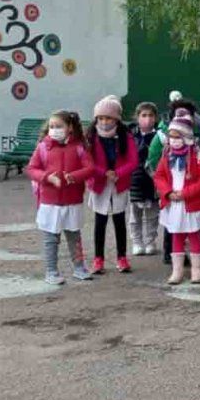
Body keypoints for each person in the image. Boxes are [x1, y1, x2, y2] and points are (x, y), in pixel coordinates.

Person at [26, 110, 94, 285]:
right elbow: (32, 169)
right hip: (50, 202)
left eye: (58, 126)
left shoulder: (79, 147)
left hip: (72, 201)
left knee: (74, 236)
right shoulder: (43, 147)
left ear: (69, 128)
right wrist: (47, 177)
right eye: (51, 126)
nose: (54, 129)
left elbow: (89, 168)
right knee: (50, 239)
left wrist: (74, 177)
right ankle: (51, 271)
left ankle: (79, 268)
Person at [153, 112, 200, 285]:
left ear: (187, 137)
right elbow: (159, 176)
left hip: (191, 202)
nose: (173, 140)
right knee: (176, 235)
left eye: (177, 137)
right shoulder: (167, 155)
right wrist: (168, 192)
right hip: (173, 202)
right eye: (171, 137)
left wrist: (185, 193)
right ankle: (177, 271)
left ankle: (196, 270)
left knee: (193, 234)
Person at [86, 95, 138, 275]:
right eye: (100, 118)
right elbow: (87, 161)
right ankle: (98, 259)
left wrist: (118, 173)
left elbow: (133, 160)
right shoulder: (91, 136)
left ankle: (121, 257)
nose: (104, 121)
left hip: (118, 182)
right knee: (100, 221)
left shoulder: (126, 135)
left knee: (119, 221)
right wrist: (103, 172)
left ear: (116, 118)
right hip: (100, 183)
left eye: (108, 117)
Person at [128, 102, 160, 256]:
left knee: (152, 214)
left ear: (155, 118)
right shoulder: (130, 135)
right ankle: (137, 242)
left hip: (152, 180)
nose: (147, 119)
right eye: (144, 115)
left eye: (151, 115)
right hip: (134, 179)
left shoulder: (159, 136)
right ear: (137, 117)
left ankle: (150, 241)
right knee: (135, 214)